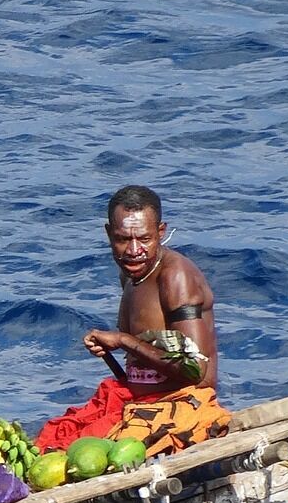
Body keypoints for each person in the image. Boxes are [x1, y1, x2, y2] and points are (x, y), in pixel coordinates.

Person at [39, 185, 230, 454]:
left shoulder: (176, 278)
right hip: (136, 400)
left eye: (144, 239)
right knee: (53, 441)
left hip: (179, 405)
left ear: (161, 233)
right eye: (122, 240)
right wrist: (112, 348)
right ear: (108, 234)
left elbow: (196, 371)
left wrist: (123, 341)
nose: (134, 250)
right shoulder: (131, 274)